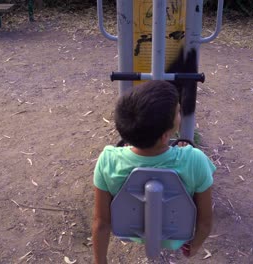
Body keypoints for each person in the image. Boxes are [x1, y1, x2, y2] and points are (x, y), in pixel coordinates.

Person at [92, 80, 216, 264]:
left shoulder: (107, 160)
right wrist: (195, 245)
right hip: (175, 237)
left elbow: (101, 222)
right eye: (178, 112)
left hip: (131, 232)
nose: (180, 113)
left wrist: (99, 261)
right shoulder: (195, 160)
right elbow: (205, 222)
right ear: (166, 135)